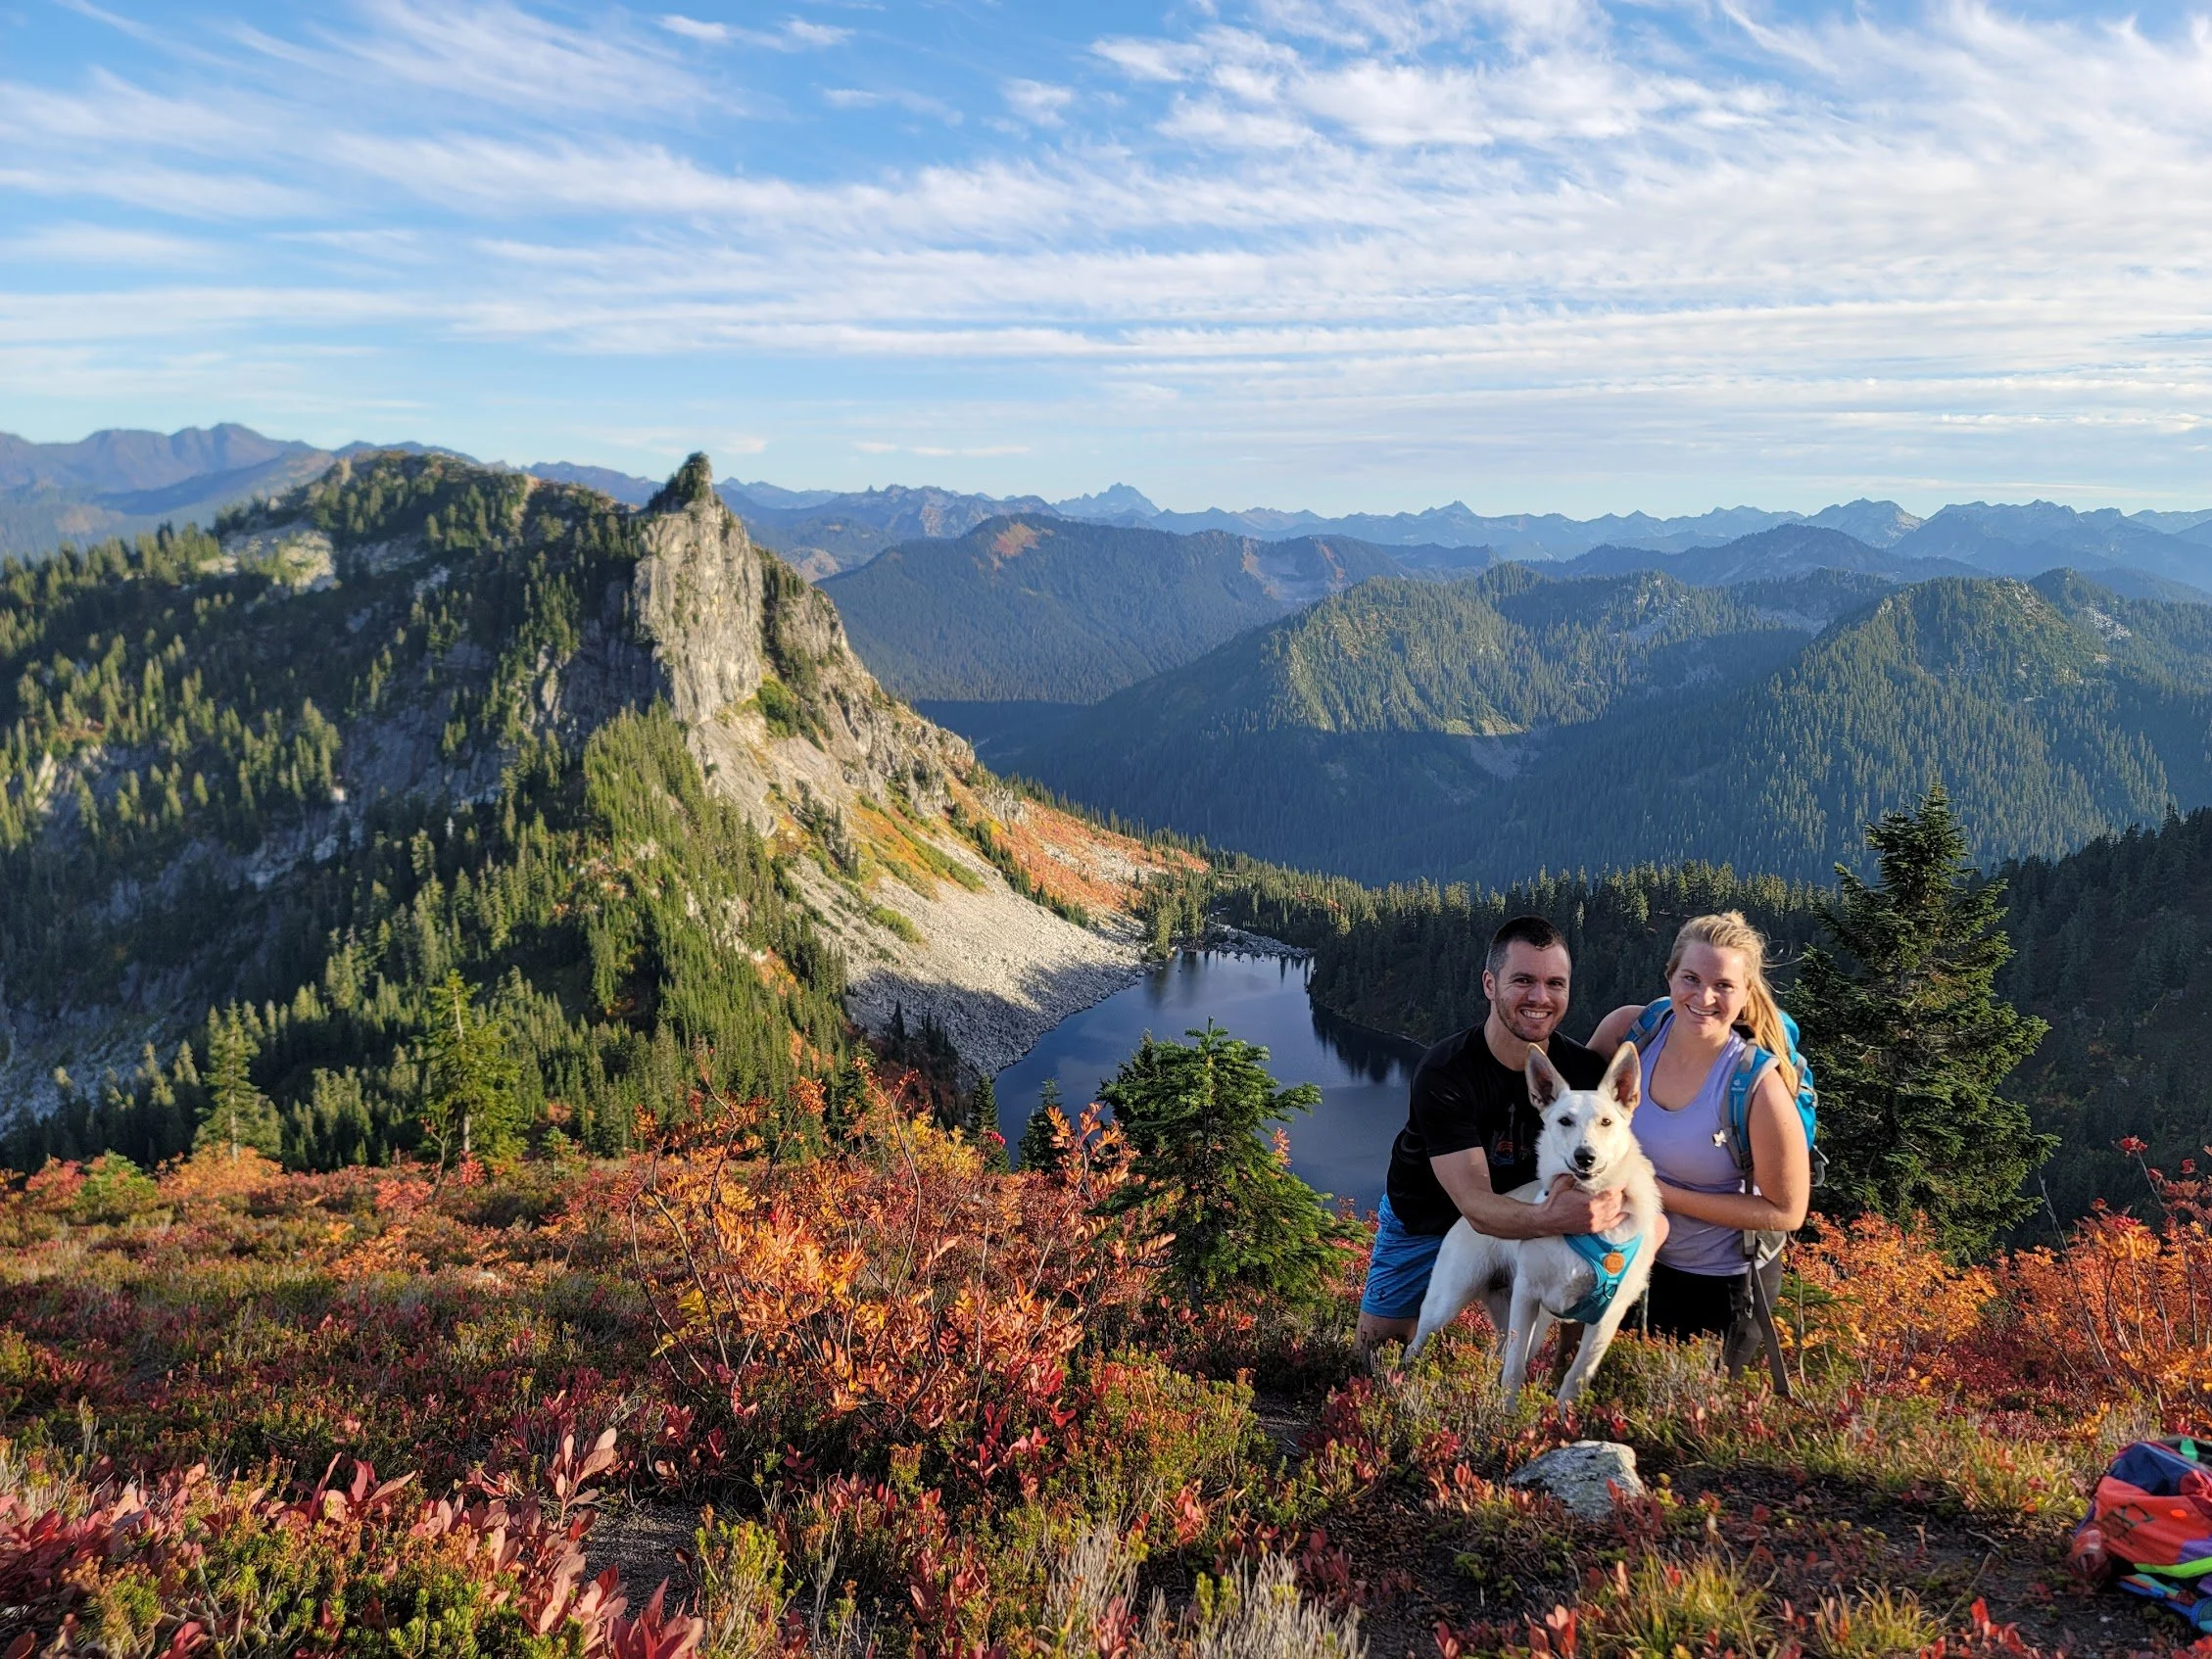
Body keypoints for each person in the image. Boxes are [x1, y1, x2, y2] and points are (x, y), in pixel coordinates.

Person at [1358, 916, 1630, 1359]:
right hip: (1428, 1220)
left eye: (1555, 983)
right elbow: (1477, 1209)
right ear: (1489, 983)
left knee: (1546, 1356)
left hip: (1531, 1223)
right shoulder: (1446, 1072)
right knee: (1377, 1357)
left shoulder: (1580, 1078)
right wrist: (1561, 1218)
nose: (1540, 998)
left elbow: (1671, 1017)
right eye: (1522, 980)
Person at [1586, 912, 1810, 1343]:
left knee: (1687, 1406)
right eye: (1690, 978)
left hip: (1715, 1287)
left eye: (1724, 985)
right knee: (1606, 1403)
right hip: (1625, 1260)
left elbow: (1786, 1212)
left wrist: (1658, 1194)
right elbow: (1573, 1111)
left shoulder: (1756, 1087)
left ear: (1746, 994)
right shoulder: (1632, 1035)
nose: (1704, 996)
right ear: (1669, 976)